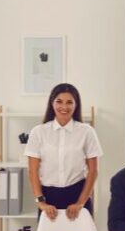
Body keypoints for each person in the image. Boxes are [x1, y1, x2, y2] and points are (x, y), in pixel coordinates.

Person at [25, 83, 102, 221]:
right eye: (59, 102)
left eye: (69, 102)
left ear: (76, 105)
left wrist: (80, 203)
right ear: (52, 103)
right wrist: (41, 203)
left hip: (78, 195)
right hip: (49, 198)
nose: (64, 107)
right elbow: (32, 171)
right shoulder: (38, 132)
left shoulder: (87, 132)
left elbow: (93, 171)